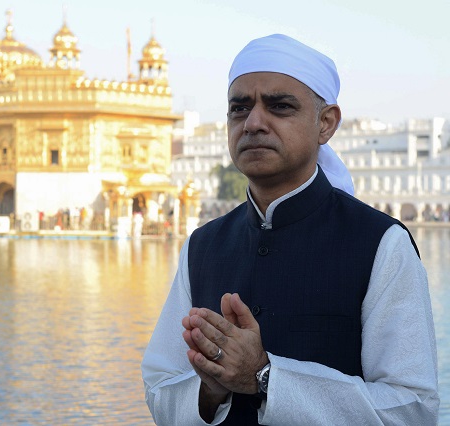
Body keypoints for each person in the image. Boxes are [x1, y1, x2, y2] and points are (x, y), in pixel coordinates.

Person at [141, 34, 438, 425]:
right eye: (239, 108)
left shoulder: (380, 243)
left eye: (279, 106)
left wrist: (265, 378)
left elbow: (412, 409)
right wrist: (210, 388)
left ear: (326, 123)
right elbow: (159, 385)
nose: (254, 123)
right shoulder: (204, 244)